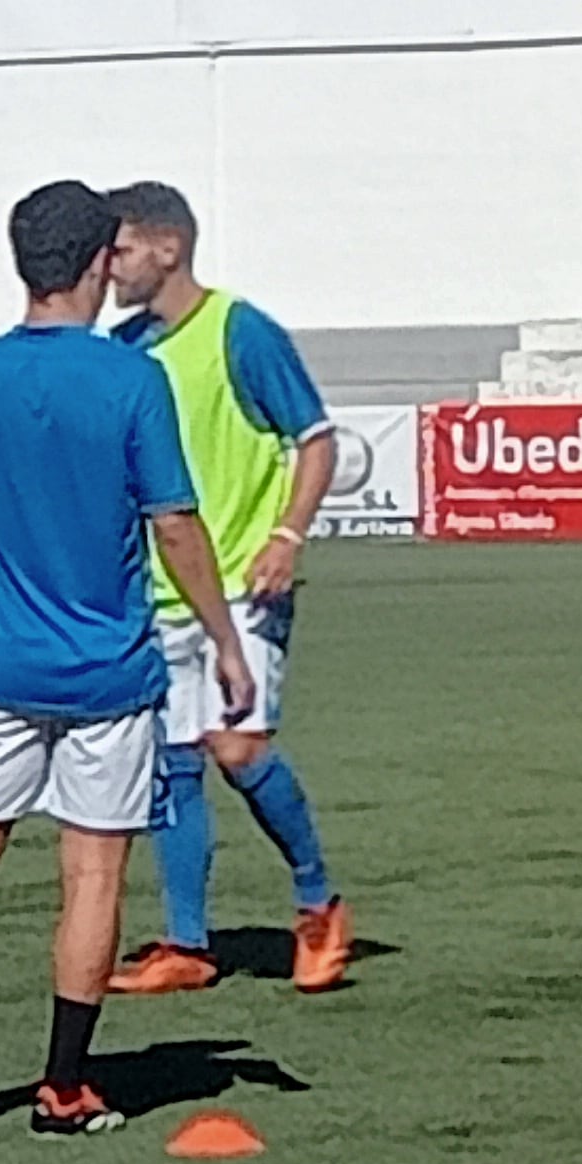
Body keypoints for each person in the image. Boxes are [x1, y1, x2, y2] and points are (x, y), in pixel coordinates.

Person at [0, 180, 254, 1141]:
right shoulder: (129, 378)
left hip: (4, 663)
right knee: (92, 876)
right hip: (108, 670)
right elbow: (175, 524)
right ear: (102, 261)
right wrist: (226, 640)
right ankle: (63, 1086)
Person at [98, 183, 355, 997]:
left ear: (168, 248)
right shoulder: (124, 345)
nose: (109, 268)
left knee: (237, 748)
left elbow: (314, 440)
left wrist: (286, 536)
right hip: (160, 590)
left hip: (245, 580)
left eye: (122, 249)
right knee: (173, 765)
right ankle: (187, 945)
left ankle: (318, 903)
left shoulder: (239, 330)